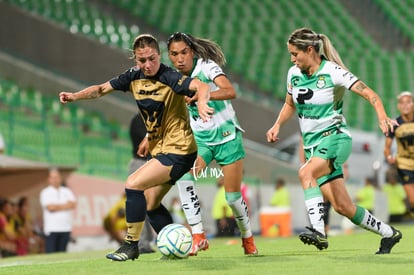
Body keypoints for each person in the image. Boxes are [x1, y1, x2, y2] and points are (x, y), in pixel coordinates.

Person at [59, 34, 212, 262]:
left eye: (152, 59)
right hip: (163, 149)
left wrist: (201, 102)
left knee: (133, 184)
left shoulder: (169, 76)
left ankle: (131, 245)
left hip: (179, 149)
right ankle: (176, 248)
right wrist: (74, 96)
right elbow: (101, 89)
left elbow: (200, 85)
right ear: (135, 59)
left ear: (159, 56)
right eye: (142, 60)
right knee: (151, 204)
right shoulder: (132, 77)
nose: (148, 65)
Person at [266, 27, 402, 254]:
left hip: (335, 138)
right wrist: (277, 124)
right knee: (343, 207)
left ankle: (319, 232)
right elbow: (290, 104)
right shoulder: (293, 74)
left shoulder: (333, 72)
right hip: (313, 146)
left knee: (305, 173)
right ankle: (389, 234)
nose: (292, 59)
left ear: (309, 50)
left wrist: (382, 116)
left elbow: (371, 94)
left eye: (295, 54)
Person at [167, 32, 257, 255]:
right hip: (202, 142)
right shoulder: (172, 77)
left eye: (184, 53)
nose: (180, 59)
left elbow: (230, 91)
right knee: (184, 176)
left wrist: (203, 97)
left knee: (233, 198)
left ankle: (247, 237)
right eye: (174, 54)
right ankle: (198, 235)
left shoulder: (206, 66)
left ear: (192, 52)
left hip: (228, 137)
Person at [383, 91, 414, 215]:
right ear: (398, 106)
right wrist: (389, 156)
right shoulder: (394, 124)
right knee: (412, 199)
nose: (405, 105)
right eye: (402, 103)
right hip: (404, 164)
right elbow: (387, 148)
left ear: (412, 104)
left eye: (408, 102)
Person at [40, 168, 76, 253]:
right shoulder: (45, 192)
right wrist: (65, 205)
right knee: (51, 254)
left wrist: (57, 206)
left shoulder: (66, 191)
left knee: (62, 253)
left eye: (57, 177)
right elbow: (50, 208)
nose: (55, 179)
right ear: (49, 179)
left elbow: (73, 204)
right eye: (53, 177)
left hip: (65, 228)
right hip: (52, 229)